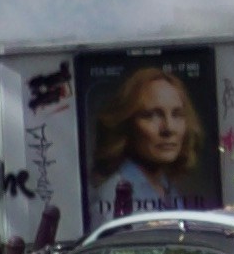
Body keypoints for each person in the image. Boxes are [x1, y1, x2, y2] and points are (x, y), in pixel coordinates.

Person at [86, 62, 213, 225]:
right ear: (127, 123)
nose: (168, 128)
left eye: (177, 114)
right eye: (152, 115)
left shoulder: (166, 187)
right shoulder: (114, 193)